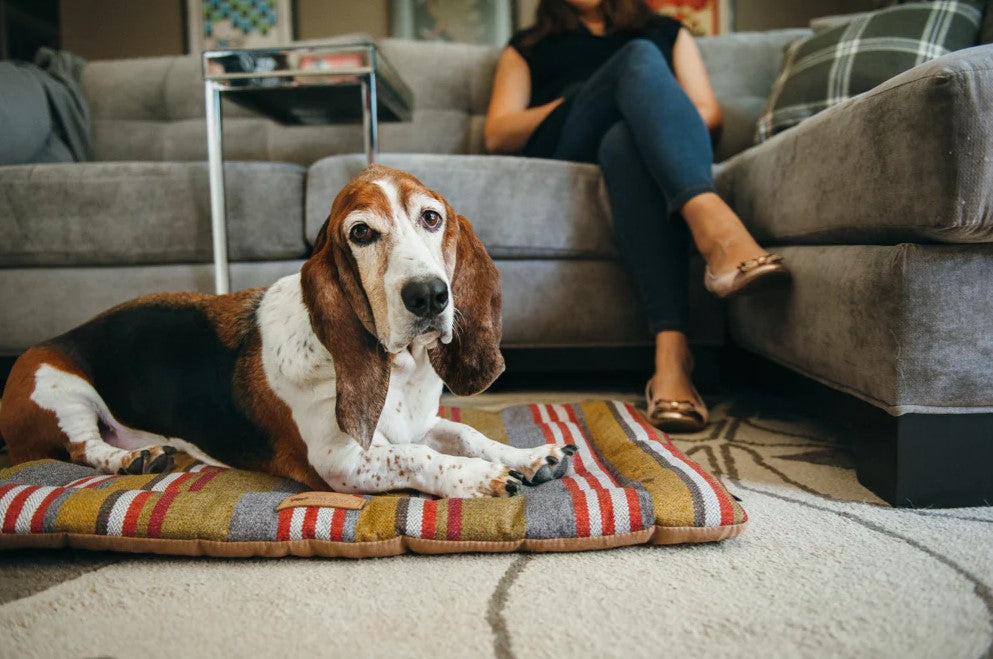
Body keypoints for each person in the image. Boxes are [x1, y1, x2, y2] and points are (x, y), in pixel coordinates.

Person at [484, 0, 788, 432]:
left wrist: (642, 110)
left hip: (634, 147)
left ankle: (672, 359)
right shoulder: (530, 45)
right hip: (571, 138)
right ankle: (715, 227)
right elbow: (498, 132)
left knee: (624, 140)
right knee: (639, 58)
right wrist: (590, 97)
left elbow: (709, 115)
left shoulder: (667, 30)